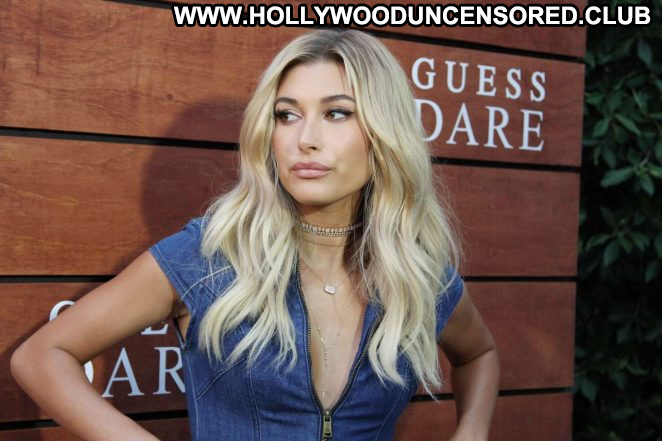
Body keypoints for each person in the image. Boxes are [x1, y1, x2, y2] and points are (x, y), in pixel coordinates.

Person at [10, 29, 499, 441]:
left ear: (385, 131)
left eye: (336, 113)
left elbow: (479, 353)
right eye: (287, 114)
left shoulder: (419, 276)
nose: (305, 138)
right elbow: (41, 356)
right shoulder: (210, 256)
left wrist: (472, 432)